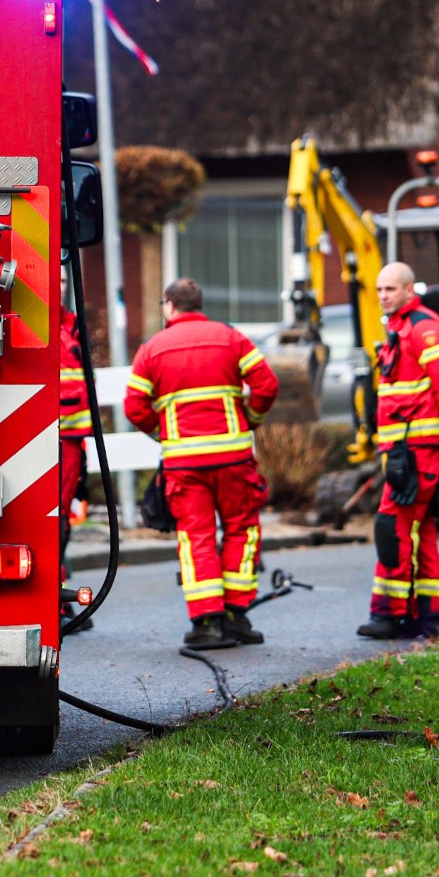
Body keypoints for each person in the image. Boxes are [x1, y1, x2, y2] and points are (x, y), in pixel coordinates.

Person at [125, 277, 279, 649]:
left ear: (170, 306)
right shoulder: (231, 337)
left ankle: (206, 622)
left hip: (185, 464)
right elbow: (267, 385)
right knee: (242, 530)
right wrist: (251, 420)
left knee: (196, 537)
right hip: (234, 459)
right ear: (199, 303)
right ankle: (236, 616)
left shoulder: (152, 348)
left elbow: (134, 407)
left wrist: (164, 433)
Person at [357, 261, 439, 641]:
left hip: (420, 450)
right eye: (380, 289)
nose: (384, 295)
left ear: (408, 289)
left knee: (395, 526)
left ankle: (389, 615)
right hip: (406, 449)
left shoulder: (425, 328)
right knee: (422, 529)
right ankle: (428, 616)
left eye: (391, 289)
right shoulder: (399, 328)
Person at [57, 267, 94, 631]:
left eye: (67, 282)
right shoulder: (42, 325)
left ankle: (61, 598)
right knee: (52, 520)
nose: (63, 288)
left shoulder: (72, 326)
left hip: (70, 441)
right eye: (59, 281)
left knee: (61, 521)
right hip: (48, 438)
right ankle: (57, 599)